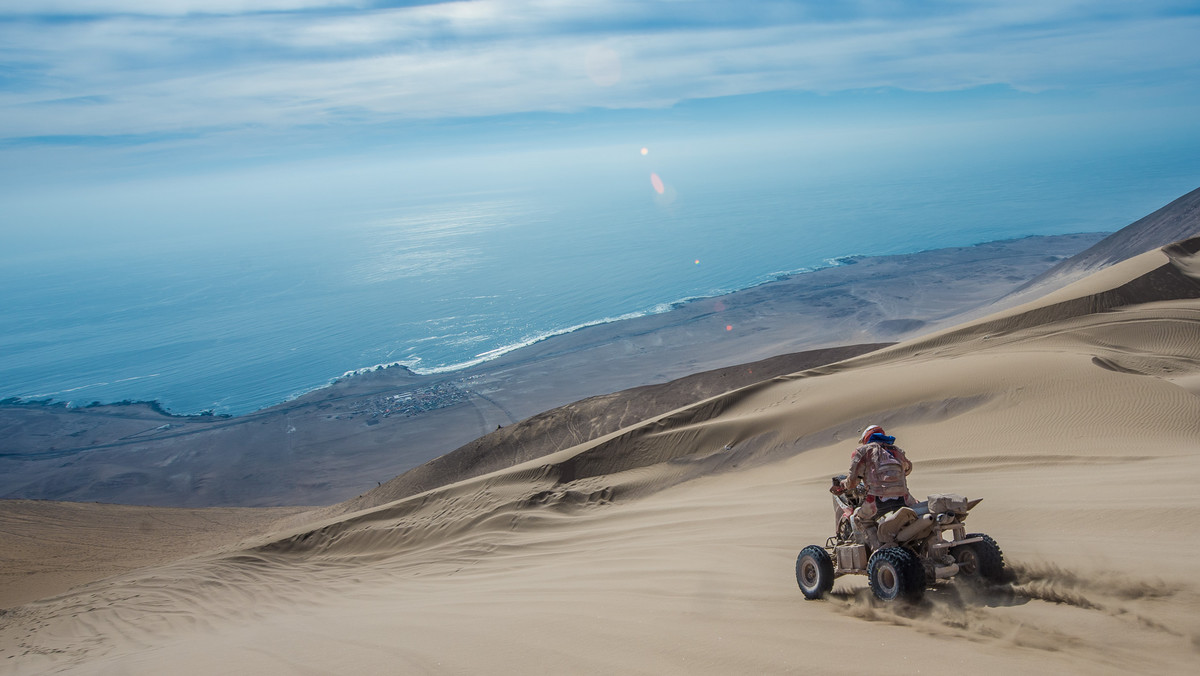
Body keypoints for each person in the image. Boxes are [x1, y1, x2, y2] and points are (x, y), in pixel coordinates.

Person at [843, 424, 915, 546]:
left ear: (866, 438)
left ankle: (877, 553)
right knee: (913, 516)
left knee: (859, 519)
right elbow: (908, 469)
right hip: (904, 498)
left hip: (877, 500)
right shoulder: (897, 451)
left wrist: (843, 484)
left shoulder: (863, 451)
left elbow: (852, 482)